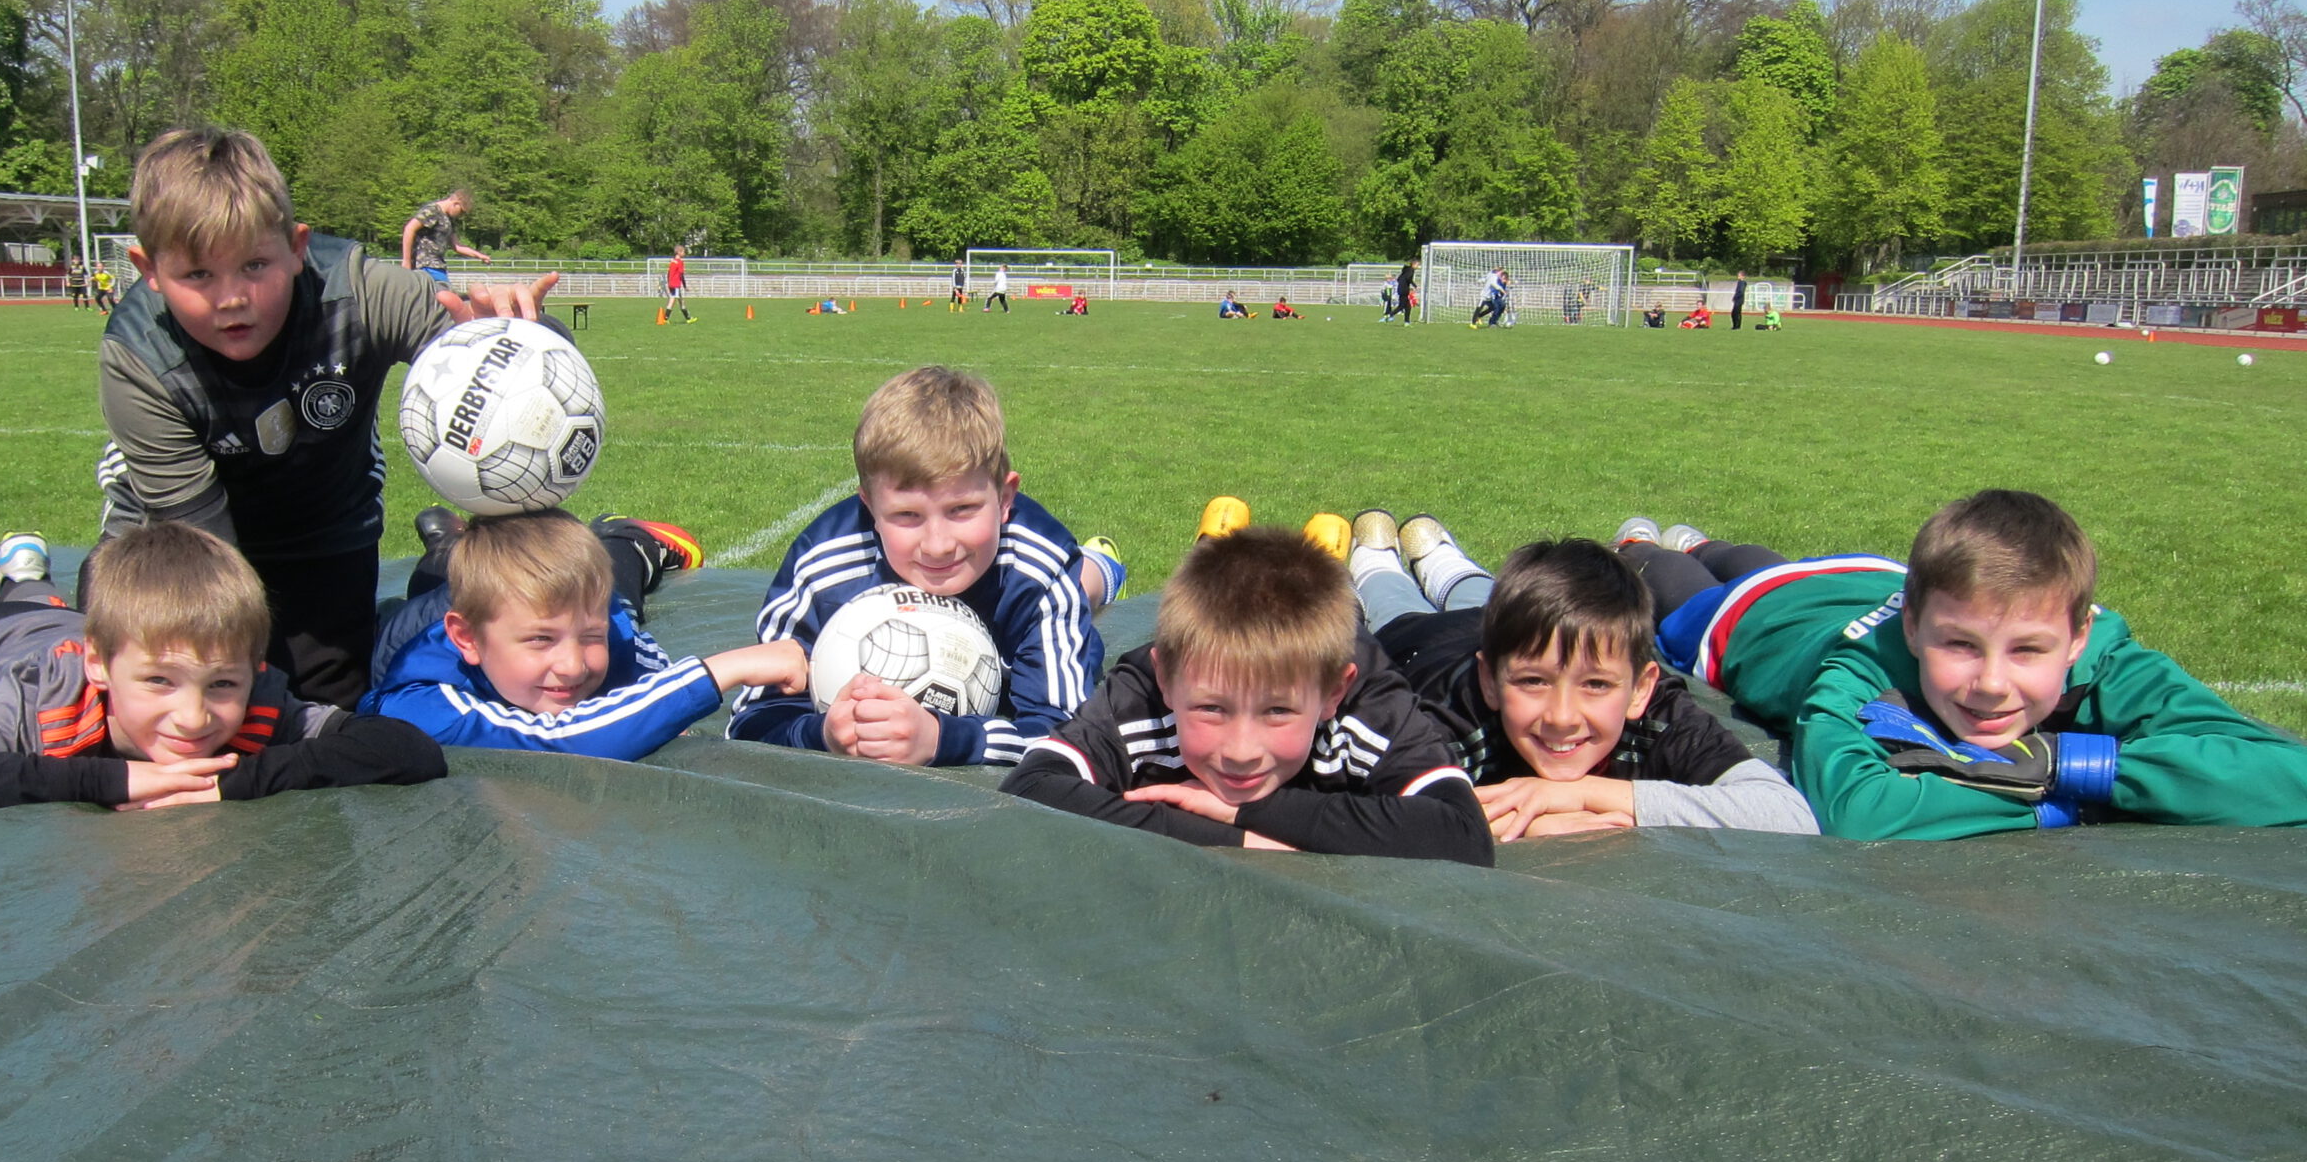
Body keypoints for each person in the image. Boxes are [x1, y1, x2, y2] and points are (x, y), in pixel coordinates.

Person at [92, 126, 560, 709]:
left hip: (325, 527)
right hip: (177, 541)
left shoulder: (359, 291)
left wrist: (524, 333)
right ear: (148, 268)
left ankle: (420, 592)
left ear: (296, 247)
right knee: (189, 699)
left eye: (255, 265)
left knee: (329, 705)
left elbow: (514, 369)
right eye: (198, 276)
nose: (231, 297)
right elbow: (200, 553)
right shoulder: (139, 357)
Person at [1623, 491, 2307, 838]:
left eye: (2029, 650)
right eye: (1960, 648)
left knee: (1739, 551)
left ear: (2076, 639)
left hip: (1868, 575)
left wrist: (2065, 768)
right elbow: (1859, 812)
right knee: (1661, 572)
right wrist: (2046, 792)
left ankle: (1704, 539)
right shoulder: (1856, 667)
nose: (1990, 683)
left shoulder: (2106, 656)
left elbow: (2288, 771)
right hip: (1745, 616)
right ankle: (1643, 544)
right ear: (1916, 630)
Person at [0, 520, 444, 825]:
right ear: (100, 667)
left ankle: (25, 568)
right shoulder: (39, 702)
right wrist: (114, 781)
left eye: (222, 684)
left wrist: (233, 781)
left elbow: (407, 750)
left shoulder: (260, 697)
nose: (193, 718)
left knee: (45, 603)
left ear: (254, 668)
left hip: (71, 625)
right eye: (160, 681)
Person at [1001, 526, 1492, 861]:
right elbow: (1031, 789)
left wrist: (1249, 810)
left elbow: (1462, 834)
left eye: (1277, 711)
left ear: (1331, 694)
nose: (1240, 750)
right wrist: (1241, 839)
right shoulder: (1141, 694)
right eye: (1212, 708)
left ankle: (1376, 565)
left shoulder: (1368, 703)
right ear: (1167, 680)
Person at [1343, 512, 1814, 840]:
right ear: (1490, 682)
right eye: (1533, 683)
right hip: (1426, 643)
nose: (1563, 718)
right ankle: (1375, 560)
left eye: (1596, 684)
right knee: (1394, 604)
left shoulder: (1660, 713)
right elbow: (1369, 815)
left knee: (1488, 596)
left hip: (1517, 635)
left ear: (1640, 688)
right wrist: (1528, 823)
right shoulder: (1446, 722)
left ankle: (1444, 557)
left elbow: (1789, 815)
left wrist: (1584, 794)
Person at [727, 365, 1104, 767]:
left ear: (1005, 498)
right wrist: (820, 733)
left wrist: (946, 739)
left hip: (1047, 573)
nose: (938, 545)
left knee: (1083, 584)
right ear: (869, 506)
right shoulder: (824, 566)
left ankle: (1100, 567)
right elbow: (751, 723)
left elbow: (1069, 738)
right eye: (907, 515)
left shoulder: (1039, 567)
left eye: (962, 509)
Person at [364, 509, 803, 759]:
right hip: (411, 626)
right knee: (432, 585)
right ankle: (448, 543)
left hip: (506, 613)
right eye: (540, 640)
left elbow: (649, 683)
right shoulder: (418, 701)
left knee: (622, 604)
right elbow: (558, 738)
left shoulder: (607, 625)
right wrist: (720, 669)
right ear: (468, 641)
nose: (573, 664)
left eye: (589, 637)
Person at [401, 190, 487, 290]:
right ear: (456, 203)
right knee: (446, 297)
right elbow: (409, 228)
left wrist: (479, 255)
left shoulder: (449, 219)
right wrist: (406, 260)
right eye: (462, 211)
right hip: (425, 264)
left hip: (438, 265)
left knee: (444, 298)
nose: (461, 215)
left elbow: (457, 246)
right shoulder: (432, 211)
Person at [662, 243, 694, 323]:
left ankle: (688, 318)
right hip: (676, 284)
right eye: (683, 252)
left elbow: (668, 273)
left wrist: (669, 282)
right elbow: (681, 275)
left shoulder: (672, 262)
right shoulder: (680, 262)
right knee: (672, 300)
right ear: (679, 252)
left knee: (681, 301)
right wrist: (685, 285)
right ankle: (665, 319)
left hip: (671, 284)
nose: (684, 253)